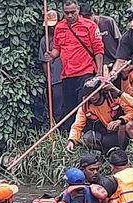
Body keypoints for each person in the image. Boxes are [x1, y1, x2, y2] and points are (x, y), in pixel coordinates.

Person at [44, 0, 104, 131]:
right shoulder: (59, 27)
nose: (70, 16)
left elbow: (99, 50)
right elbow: (57, 49)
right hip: (67, 75)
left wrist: (99, 73)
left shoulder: (90, 26)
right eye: (66, 13)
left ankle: (89, 136)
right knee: (69, 109)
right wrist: (51, 55)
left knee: (84, 106)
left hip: (86, 72)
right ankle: (71, 139)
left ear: (78, 10)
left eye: (73, 12)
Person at [67, 77, 133, 153]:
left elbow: (132, 113)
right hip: (104, 136)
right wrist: (72, 140)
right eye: (89, 94)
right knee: (87, 138)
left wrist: (120, 121)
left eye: (95, 93)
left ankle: (121, 152)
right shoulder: (84, 107)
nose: (92, 97)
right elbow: (77, 126)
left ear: (100, 91)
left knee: (124, 126)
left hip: (121, 135)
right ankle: (106, 152)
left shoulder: (114, 98)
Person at [38, 10, 64, 124]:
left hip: (68, 74)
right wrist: (49, 78)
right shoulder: (45, 40)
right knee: (57, 105)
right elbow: (44, 62)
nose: (52, 28)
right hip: (55, 78)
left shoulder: (64, 35)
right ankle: (58, 129)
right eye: (50, 26)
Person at [80, 3, 121, 69]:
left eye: (89, 19)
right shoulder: (86, 28)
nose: (89, 22)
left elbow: (119, 41)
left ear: (93, 14)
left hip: (114, 61)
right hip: (99, 65)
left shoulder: (108, 22)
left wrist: (120, 60)